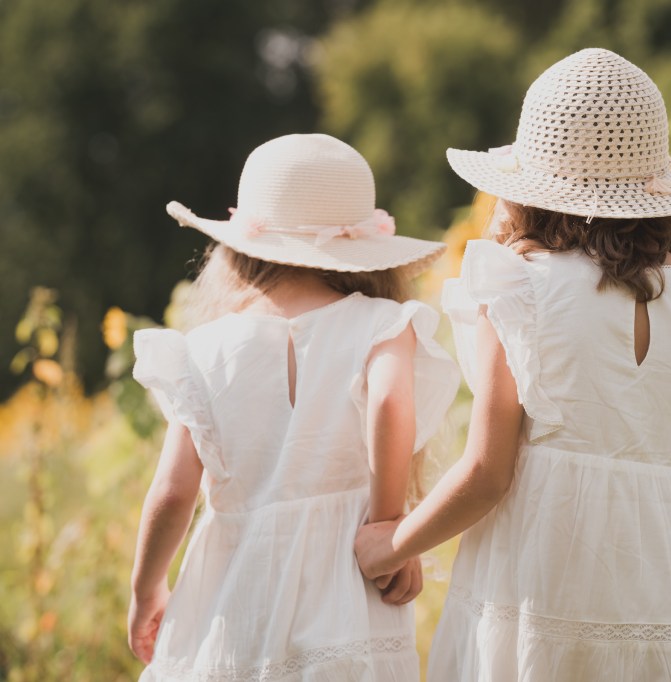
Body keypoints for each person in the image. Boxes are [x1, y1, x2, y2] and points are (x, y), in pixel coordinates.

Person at [355, 49, 671, 680]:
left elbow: (487, 473)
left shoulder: (521, 292)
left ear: (530, 193)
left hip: (540, 587)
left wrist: (390, 545)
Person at [127, 133, 460, 680]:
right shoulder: (380, 325)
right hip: (345, 592)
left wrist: (147, 589)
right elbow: (392, 401)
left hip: (235, 599)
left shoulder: (207, 350)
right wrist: (386, 522)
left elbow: (172, 493)